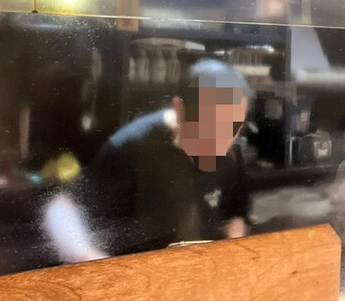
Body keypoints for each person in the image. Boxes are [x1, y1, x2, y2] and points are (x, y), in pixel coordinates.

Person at [44, 59, 250, 262]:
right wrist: (89, 258)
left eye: (234, 126)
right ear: (180, 109)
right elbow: (62, 209)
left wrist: (233, 248)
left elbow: (235, 215)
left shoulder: (231, 153)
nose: (222, 141)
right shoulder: (133, 145)